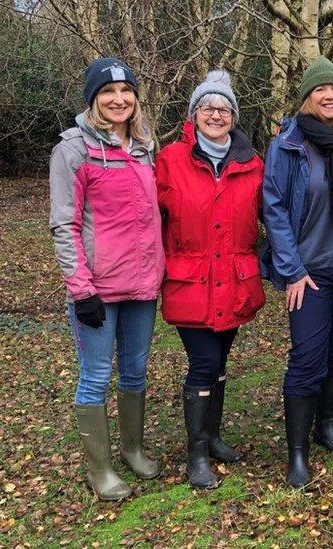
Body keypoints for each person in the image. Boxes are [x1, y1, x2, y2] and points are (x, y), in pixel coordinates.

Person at [261, 56, 333, 487]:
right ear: (307, 97)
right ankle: (297, 452)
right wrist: (291, 270)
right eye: (320, 90)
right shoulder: (288, 144)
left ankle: (326, 427)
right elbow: (272, 208)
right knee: (307, 358)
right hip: (309, 273)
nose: (330, 97)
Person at [49, 58, 163, 500]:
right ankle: (100, 470)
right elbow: (65, 225)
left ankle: (133, 450)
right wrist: (81, 290)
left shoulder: (142, 146)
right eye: (108, 93)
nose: (119, 100)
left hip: (142, 285)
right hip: (97, 289)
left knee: (135, 372)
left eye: (126, 92)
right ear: (93, 99)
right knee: (95, 375)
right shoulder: (73, 150)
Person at [156, 70, 266, 489]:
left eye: (223, 108)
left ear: (234, 116)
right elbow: (150, 221)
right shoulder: (170, 160)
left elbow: (270, 217)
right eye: (207, 107)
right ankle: (196, 455)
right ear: (194, 114)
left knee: (219, 363)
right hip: (191, 282)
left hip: (235, 280)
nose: (215, 114)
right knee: (202, 363)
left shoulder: (251, 163)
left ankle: (214, 437)